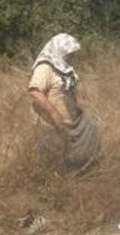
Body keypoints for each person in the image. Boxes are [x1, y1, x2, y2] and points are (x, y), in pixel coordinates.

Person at [28, 33, 100, 174]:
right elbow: (35, 91)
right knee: (54, 160)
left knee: (91, 134)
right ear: (60, 51)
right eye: (69, 53)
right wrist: (54, 113)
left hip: (68, 123)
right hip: (50, 124)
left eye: (73, 53)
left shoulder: (65, 68)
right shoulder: (45, 67)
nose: (72, 56)